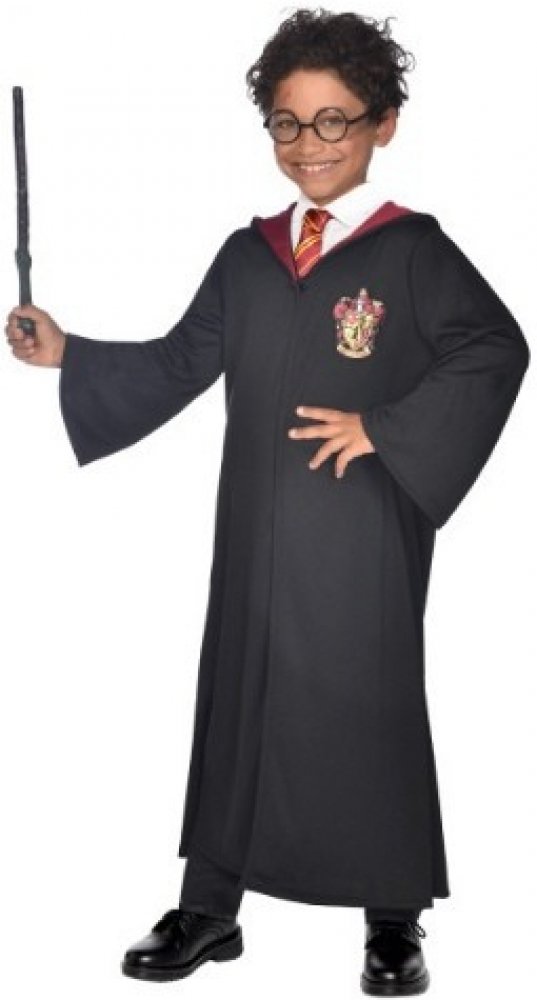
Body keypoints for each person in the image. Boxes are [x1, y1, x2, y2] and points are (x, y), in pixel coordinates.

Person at [5, 8, 530, 996]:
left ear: (383, 123)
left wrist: (388, 430)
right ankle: (211, 905)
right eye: (288, 122)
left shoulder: (412, 251)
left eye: (334, 120)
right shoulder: (248, 256)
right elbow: (180, 361)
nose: (308, 144)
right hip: (254, 524)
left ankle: (392, 915)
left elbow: (496, 347)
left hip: (361, 527)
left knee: (369, 699)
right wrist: (68, 352)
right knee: (237, 694)